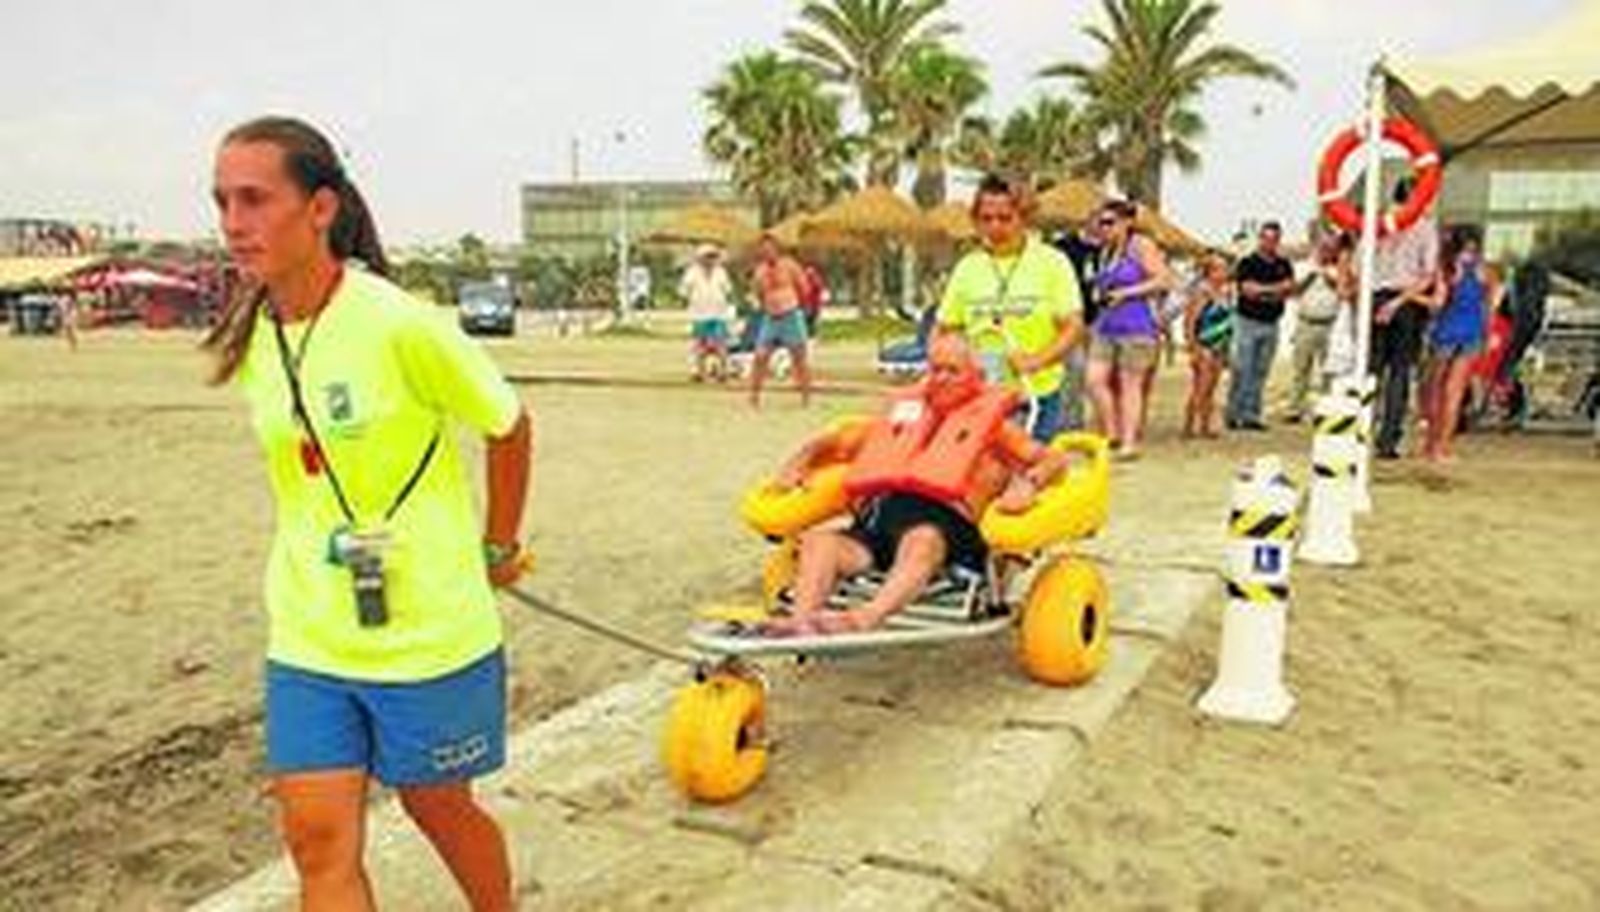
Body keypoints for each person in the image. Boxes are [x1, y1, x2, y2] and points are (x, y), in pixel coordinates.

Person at [202, 116, 532, 911]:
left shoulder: (399, 323)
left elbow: (507, 424)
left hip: (429, 634)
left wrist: (496, 548)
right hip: (310, 633)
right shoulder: (254, 334)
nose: (233, 222)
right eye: (221, 201)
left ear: (320, 208)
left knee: (438, 807)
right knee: (317, 844)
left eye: (254, 199)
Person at [761, 334, 1070, 635]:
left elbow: (1053, 460)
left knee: (921, 540)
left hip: (947, 532)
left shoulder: (996, 428)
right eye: (936, 369)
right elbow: (833, 444)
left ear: (976, 376)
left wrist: (1028, 485)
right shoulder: (904, 416)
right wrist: (796, 466)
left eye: (954, 371)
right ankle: (800, 622)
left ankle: (866, 618)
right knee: (819, 542)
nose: (943, 378)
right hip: (879, 527)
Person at [938, 173, 1083, 443]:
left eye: (1005, 218)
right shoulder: (968, 267)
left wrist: (1036, 360)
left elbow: (1073, 327)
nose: (995, 227)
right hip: (979, 394)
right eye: (986, 219)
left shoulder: (1052, 263)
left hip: (1035, 392)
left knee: (1028, 470)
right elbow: (946, 329)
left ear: (1024, 218)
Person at [1085, 200, 1175, 459]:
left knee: (1129, 386)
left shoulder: (1140, 246)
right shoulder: (1105, 251)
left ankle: (1128, 442)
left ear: (1127, 222)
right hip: (1106, 324)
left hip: (1136, 326)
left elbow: (1164, 279)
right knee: (1093, 380)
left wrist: (1126, 292)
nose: (1103, 229)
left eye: (1109, 222)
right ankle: (1112, 432)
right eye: (1100, 223)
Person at [1370, 178, 1443, 459]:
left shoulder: (1379, 224)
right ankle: (1387, 440)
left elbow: (1359, 265)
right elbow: (1427, 275)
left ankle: (1364, 431)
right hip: (1407, 301)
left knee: (1372, 370)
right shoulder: (1424, 227)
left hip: (1378, 297)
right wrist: (1400, 301)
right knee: (1398, 373)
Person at [1422, 227, 1497, 463]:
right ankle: (1443, 449)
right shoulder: (1484, 271)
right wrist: (1486, 335)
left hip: (1445, 333)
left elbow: (1437, 304)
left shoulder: (1446, 269)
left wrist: (1409, 296)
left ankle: (1430, 445)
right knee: (1454, 394)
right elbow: (1489, 308)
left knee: (1434, 390)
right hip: (1471, 334)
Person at [1226, 221, 1296, 431]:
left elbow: (1290, 288)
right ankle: (1234, 413)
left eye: (1274, 239)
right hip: (1247, 321)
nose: (1269, 243)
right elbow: (1248, 290)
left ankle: (1251, 415)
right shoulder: (1247, 263)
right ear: (1260, 239)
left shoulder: (1284, 264)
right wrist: (1276, 289)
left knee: (1261, 371)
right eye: (1266, 238)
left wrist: (1263, 290)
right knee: (1242, 368)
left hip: (1272, 323)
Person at [1285, 233, 1354, 422]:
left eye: (1331, 248)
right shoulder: (1304, 266)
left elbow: (1346, 291)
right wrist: (1310, 277)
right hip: (1306, 322)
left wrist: (1332, 280)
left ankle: (1325, 409)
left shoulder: (1340, 269)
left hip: (1330, 323)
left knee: (1328, 371)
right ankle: (1295, 408)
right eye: (1324, 247)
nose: (1327, 251)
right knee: (1300, 369)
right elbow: (1293, 291)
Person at [1050, 215, 1105, 432]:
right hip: (1070, 318)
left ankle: (1084, 419)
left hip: (1099, 319)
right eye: (1098, 220)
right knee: (1073, 367)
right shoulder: (1063, 247)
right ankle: (1067, 419)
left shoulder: (1109, 250)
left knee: (1091, 374)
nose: (1101, 225)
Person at [749, 232, 814, 408]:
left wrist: (799, 306)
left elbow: (804, 287)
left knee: (799, 357)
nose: (767, 252)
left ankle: (806, 398)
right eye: (763, 249)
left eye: (770, 248)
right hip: (771, 316)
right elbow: (758, 293)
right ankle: (754, 396)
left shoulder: (789, 265)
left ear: (776, 249)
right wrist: (767, 305)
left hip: (790, 314)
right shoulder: (760, 271)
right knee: (760, 356)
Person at [1182, 254, 1234, 439]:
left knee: (1212, 387)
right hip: (1204, 343)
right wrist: (1192, 346)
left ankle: (1204, 425)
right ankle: (1189, 425)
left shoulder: (1226, 291)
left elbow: (1228, 320)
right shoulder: (1202, 291)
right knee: (1200, 386)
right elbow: (1190, 320)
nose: (1224, 272)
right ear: (1209, 272)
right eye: (1219, 268)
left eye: (1225, 268)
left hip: (1220, 343)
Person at [679, 243, 734, 382]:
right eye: (708, 256)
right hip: (699, 314)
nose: (710, 260)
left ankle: (723, 371)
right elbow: (683, 291)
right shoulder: (692, 272)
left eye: (713, 256)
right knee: (699, 344)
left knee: (721, 344)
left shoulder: (721, 272)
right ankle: (699, 371)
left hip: (718, 313)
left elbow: (728, 290)